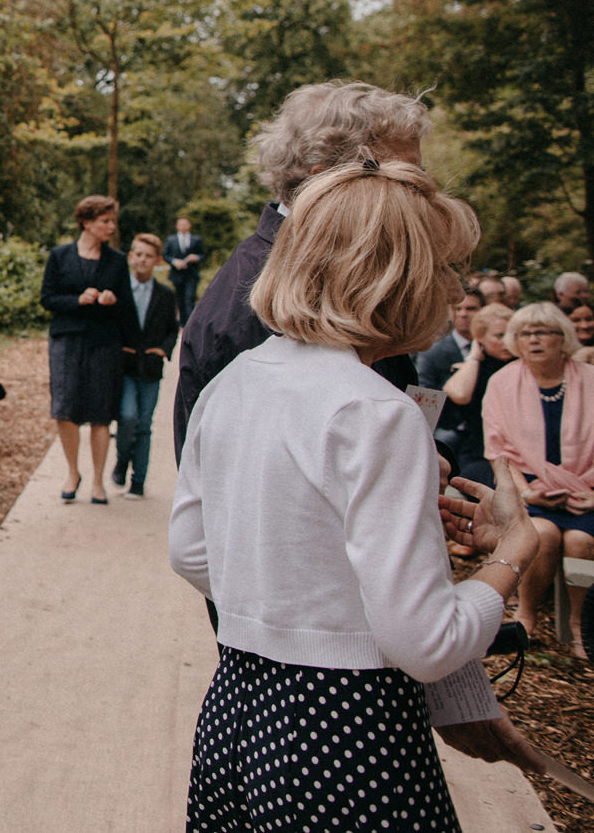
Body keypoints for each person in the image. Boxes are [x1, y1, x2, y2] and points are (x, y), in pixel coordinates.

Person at [172, 158, 539, 831]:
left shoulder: (237, 380)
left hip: (237, 710)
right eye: (442, 266)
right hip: (346, 730)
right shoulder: (376, 411)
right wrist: (515, 548)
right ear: (392, 278)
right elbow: (425, 641)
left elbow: (192, 552)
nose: (455, 287)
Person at [173, 81, 433, 461]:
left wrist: (430, 461)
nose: (422, 191)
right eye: (400, 177)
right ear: (323, 180)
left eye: (419, 173)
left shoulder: (351, 271)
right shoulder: (262, 299)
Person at [482, 303, 594, 657]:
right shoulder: (501, 382)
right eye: (525, 333)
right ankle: (526, 614)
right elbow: (498, 451)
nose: (533, 340)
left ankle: (579, 626)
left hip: (587, 490)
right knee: (543, 535)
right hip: (529, 488)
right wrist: (528, 492)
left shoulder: (590, 379)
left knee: (579, 542)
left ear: (563, 339)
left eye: (543, 332)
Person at [41, 195, 127, 504]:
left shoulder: (117, 260)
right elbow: (47, 299)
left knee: (101, 412)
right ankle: (72, 471)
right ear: (86, 222)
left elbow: (127, 305)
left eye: (112, 221)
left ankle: (98, 482)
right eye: (105, 221)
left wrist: (112, 300)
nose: (111, 226)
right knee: (65, 409)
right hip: (66, 340)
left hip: (104, 342)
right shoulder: (59, 256)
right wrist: (77, 300)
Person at [112, 233, 176, 500]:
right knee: (127, 417)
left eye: (148, 256)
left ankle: (138, 481)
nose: (142, 260)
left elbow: (173, 330)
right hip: (125, 367)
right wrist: (117, 348)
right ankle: (122, 459)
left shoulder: (166, 294)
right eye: (138, 254)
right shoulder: (118, 290)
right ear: (130, 256)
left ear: (157, 261)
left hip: (150, 368)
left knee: (144, 425)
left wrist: (163, 349)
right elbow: (109, 325)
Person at [440, 302, 516, 488]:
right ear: (480, 337)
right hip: (479, 455)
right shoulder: (472, 370)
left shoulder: (524, 367)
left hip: (520, 456)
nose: (507, 341)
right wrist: (474, 357)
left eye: (511, 335)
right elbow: (460, 394)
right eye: (499, 335)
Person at [164, 216, 204, 328]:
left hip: (191, 274)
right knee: (180, 299)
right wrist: (174, 261)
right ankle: (182, 324)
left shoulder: (196, 239)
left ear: (189, 225)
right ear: (177, 226)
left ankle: (191, 324)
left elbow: (202, 255)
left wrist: (195, 257)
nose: (183, 226)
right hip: (177, 274)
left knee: (189, 298)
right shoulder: (171, 240)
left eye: (185, 224)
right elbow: (165, 255)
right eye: (180, 224)